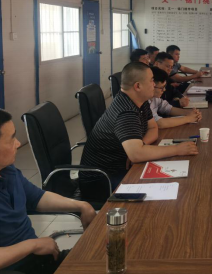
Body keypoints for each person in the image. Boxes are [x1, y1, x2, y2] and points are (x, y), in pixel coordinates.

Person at [0, 107, 96, 274]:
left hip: (36, 260)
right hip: (10, 269)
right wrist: (33, 245)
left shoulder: (5, 169)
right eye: (11, 139)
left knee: (107, 258)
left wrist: (81, 205)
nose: (18, 144)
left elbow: (37, 198)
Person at [79, 62, 198, 200]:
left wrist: (141, 145)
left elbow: (153, 128)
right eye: (151, 80)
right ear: (138, 86)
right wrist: (177, 149)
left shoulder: (140, 102)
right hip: (101, 181)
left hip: (124, 167)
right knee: (173, 190)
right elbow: (137, 155)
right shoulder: (126, 112)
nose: (154, 84)